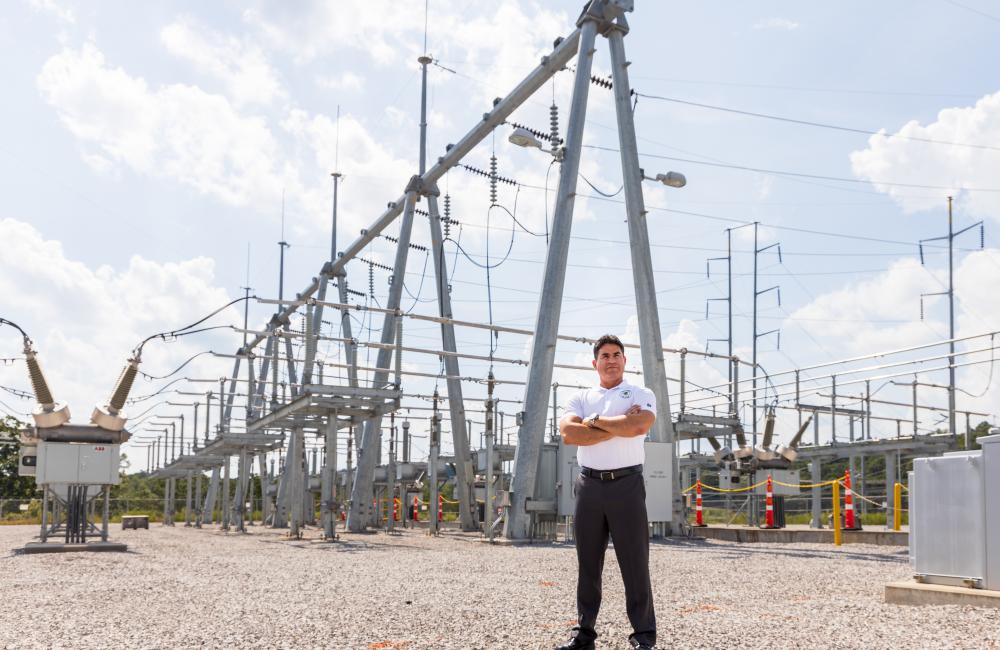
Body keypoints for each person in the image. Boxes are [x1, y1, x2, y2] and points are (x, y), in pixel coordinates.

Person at [556, 334, 657, 650]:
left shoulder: (640, 392)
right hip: (589, 486)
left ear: (625, 361)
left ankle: (643, 636)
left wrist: (596, 423)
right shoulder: (581, 397)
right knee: (587, 563)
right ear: (595, 363)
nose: (611, 360)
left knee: (634, 561)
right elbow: (569, 434)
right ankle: (583, 634)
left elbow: (639, 427)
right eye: (605, 355)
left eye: (616, 354)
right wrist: (619, 424)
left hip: (626, 486)